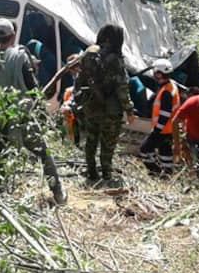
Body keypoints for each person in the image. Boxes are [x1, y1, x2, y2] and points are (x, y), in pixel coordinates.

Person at [0, 17, 66, 205]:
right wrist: (41, 111)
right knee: (43, 152)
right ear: (13, 35)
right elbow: (32, 88)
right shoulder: (21, 56)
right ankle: (58, 193)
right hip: (22, 116)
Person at [72, 24, 134, 186]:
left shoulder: (89, 54)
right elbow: (122, 88)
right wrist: (129, 109)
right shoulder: (116, 59)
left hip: (90, 105)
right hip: (111, 110)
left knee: (91, 139)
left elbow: (79, 81)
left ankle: (91, 171)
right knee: (108, 143)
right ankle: (106, 173)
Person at [139, 58, 181, 174]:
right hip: (169, 129)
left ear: (159, 73)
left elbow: (165, 113)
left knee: (144, 150)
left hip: (162, 130)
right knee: (165, 152)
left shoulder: (166, 92)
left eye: (155, 72)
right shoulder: (172, 85)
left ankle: (155, 171)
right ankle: (167, 173)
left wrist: (157, 130)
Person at [59, 54, 82, 145]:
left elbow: (78, 92)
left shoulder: (81, 76)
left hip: (83, 103)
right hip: (77, 102)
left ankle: (73, 142)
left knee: (69, 115)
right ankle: (72, 141)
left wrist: (68, 103)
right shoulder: (77, 76)